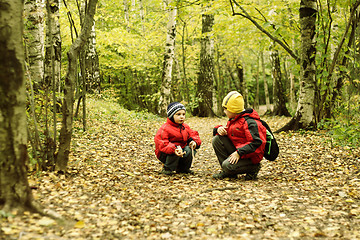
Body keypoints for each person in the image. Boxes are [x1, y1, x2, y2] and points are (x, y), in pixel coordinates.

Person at [212, 91, 267, 180]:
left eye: (226, 109)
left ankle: (253, 168)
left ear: (233, 110)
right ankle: (229, 173)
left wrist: (239, 153)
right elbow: (229, 132)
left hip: (251, 157)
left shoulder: (250, 122)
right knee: (217, 139)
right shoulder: (234, 119)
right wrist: (218, 129)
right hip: (240, 151)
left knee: (227, 166)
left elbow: (257, 143)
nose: (224, 111)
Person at [154, 102, 201, 175]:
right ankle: (167, 168)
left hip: (181, 151)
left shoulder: (185, 127)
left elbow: (193, 134)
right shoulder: (165, 128)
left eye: (183, 114)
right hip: (166, 153)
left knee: (188, 149)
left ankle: (183, 169)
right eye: (178, 114)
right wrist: (174, 148)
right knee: (176, 150)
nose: (182, 117)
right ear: (171, 115)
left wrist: (194, 142)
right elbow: (162, 143)